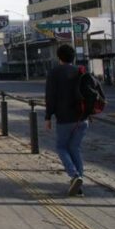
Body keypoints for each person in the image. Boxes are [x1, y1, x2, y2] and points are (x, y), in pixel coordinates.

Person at [44, 43, 88, 196]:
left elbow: (50, 97)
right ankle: (79, 184)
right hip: (82, 118)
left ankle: (74, 175)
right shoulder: (80, 71)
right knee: (75, 148)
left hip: (65, 118)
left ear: (59, 57)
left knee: (61, 147)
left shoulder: (54, 72)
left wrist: (48, 116)